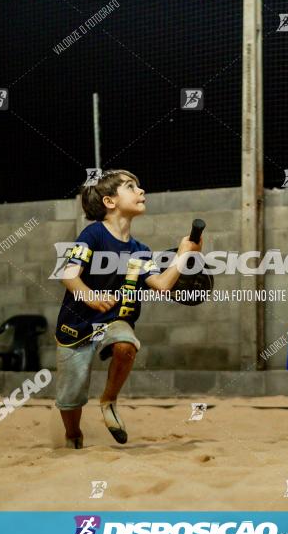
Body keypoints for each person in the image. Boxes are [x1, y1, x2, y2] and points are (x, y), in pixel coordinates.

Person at [54, 169, 202, 449]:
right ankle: (73, 433)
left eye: (139, 186)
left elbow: (160, 285)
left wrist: (185, 254)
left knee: (126, 344)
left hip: (114, 320)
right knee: (71, 397)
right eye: (131, 187)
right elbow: (68, 274)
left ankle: (109, 400)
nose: (141, 191)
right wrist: (89, 295)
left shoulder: (140, 250)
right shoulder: (93, 234)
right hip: (77, 324)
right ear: (110, 202)